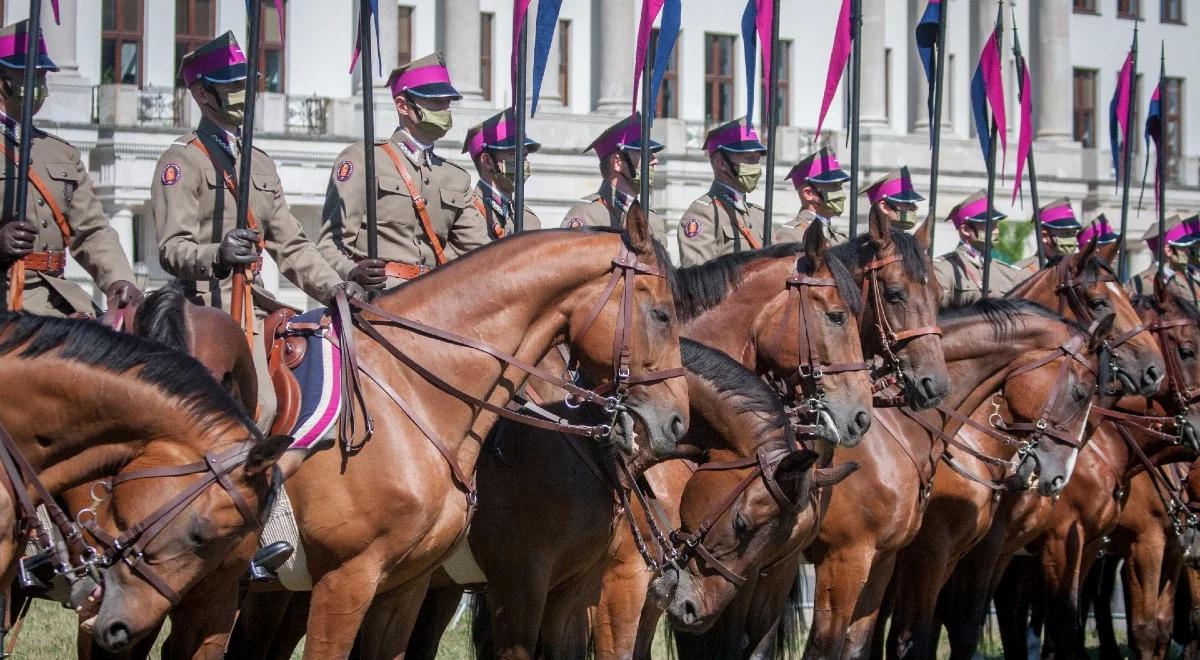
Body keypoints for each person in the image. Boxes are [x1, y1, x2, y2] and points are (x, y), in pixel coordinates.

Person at [152, 32, 356, 430]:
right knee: (261, 406)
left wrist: (338, 290)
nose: (245, 94)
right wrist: (218, 254)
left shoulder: (259, 164)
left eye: (246, 85)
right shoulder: (182, 161)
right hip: (206, 310)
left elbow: (292, 245)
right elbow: (172, 249)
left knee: (330, 380)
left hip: (260, 307)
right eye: (232, 87)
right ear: (203, 95)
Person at [0, 20, 140, 317]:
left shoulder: (60, 152)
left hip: (57, 299)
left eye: (42, 76)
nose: (39, 86)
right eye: (30, 75)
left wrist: (119, 279)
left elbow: (92, 230)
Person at [319, 52, 482, 290]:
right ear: (403, 106)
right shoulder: (364, 159)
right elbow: (330, 243)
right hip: (380, 295)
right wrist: (351, 272)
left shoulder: (456, 178)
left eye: (447, 103)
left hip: (435, 297)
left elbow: (479, 251)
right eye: (435, 102)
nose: (445, 110)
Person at [561, 113, 667, 240]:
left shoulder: (652, 219)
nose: (655, 161)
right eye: (644, 154)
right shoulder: (587, 214)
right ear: (617, 163)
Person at [677, 118, 768, 265]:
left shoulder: (760, 215)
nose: (756, 167)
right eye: (748, 158)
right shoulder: (703, 213)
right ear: (721, 163)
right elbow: (700, 280)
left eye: (757, 160)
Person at [932, 190, 1028, 307]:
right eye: (988, 225)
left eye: (996, 225)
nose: (996, 231)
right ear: (965, 230)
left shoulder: (1008, 273)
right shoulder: (943, 269)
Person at [461, 108, 541, 238]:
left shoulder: (529, 220)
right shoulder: (466, 211)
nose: (523, 162)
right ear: (487, 161)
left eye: (524, 155)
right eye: (513, 154)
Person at [774, 146, 851, 245]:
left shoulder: (840, 240)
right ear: (808, 194)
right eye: (832, 185)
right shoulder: (791, 235)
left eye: (840, 185)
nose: (841, 193)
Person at [1127, 214, 1200, 303]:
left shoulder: (1191, 278)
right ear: (1168, 250)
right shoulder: (1139, 283)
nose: (1189, 251)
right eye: (1183, 247)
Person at [1015, 197, 1081, 271]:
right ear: (1044, 236)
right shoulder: (1023, 270)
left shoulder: (1078, 270)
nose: (1072, 239)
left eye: (1073, 233)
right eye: (1065, 233)